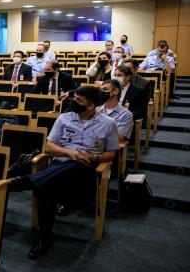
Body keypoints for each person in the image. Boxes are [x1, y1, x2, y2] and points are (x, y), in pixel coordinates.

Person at [9, 86, 119, 259]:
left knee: (76, 164)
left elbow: (112, 153)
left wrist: (95, 159)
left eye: (78, 100)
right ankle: (44, 240)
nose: (72, 102)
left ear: (90, 106)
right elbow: (48, 145)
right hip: (59, 167)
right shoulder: (64, 118)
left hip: (85, 173)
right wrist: (70, 152)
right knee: (47, 189)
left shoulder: (108, 123)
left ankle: (25, 181)